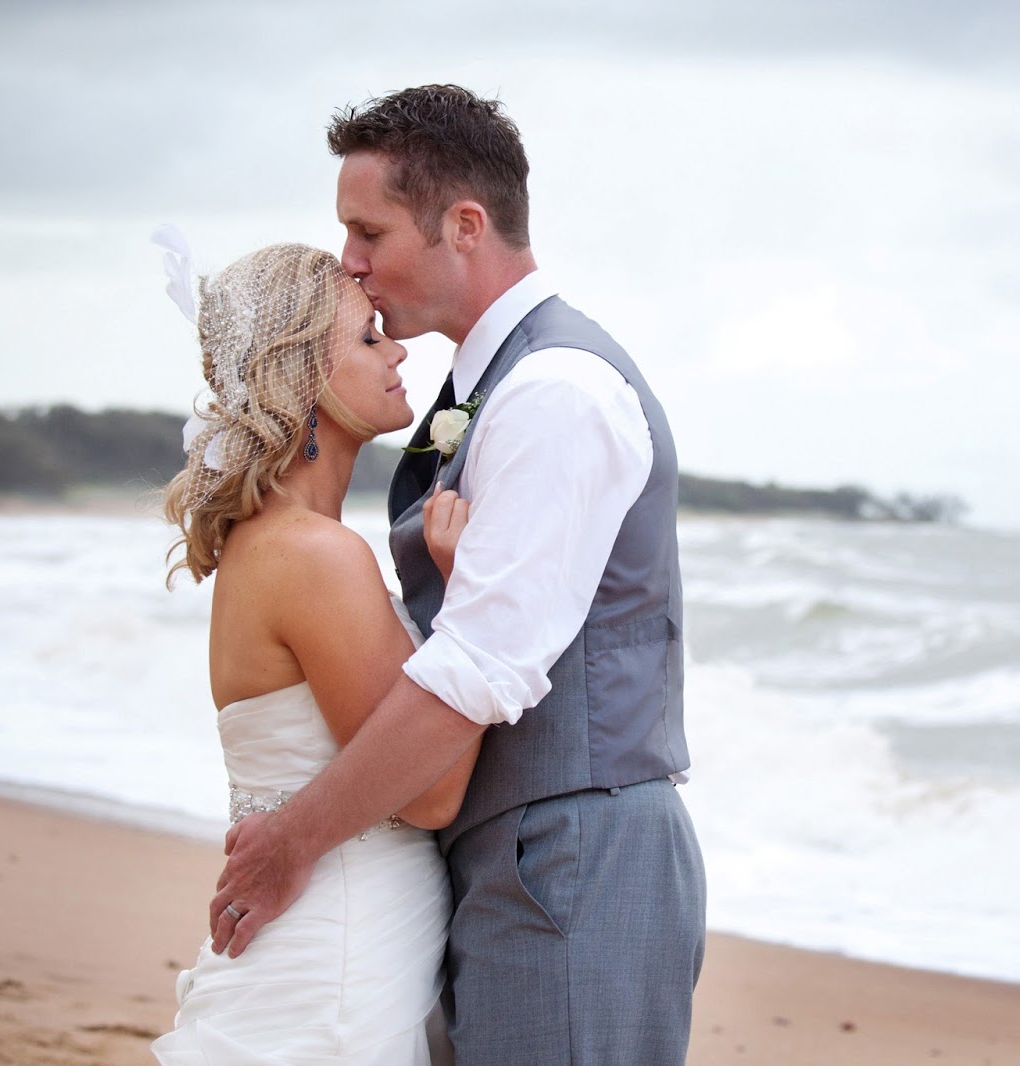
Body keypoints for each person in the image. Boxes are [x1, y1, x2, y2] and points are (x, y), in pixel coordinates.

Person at [209, 85, 707, 1064]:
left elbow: (482, 664)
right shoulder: (487, 388)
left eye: (369, 231)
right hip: (511, 856)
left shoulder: (554, 391)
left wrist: (294, 839)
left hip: (572, 856)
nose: (349, 260)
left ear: (464, 226)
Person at [150, 241, 480, 1064]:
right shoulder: (313, 554)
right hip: (340, 958)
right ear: (302, 380)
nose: (398, 352)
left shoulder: (275, 543)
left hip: (337, 944)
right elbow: (432, 793)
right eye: (369, 336)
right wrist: (472, 599)